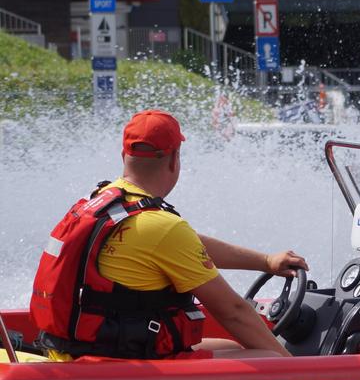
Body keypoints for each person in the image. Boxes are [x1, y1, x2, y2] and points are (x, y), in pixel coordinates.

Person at [30, 109, 308, 361]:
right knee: (270, 361)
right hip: (120, 365)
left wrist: (266, 261)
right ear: (175, 159)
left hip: (77, 352)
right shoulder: (162, 227)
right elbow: (233, 311)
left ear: (124, 156)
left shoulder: (105, 201)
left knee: (228, 347)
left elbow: (183, 245)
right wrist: (299, 373)